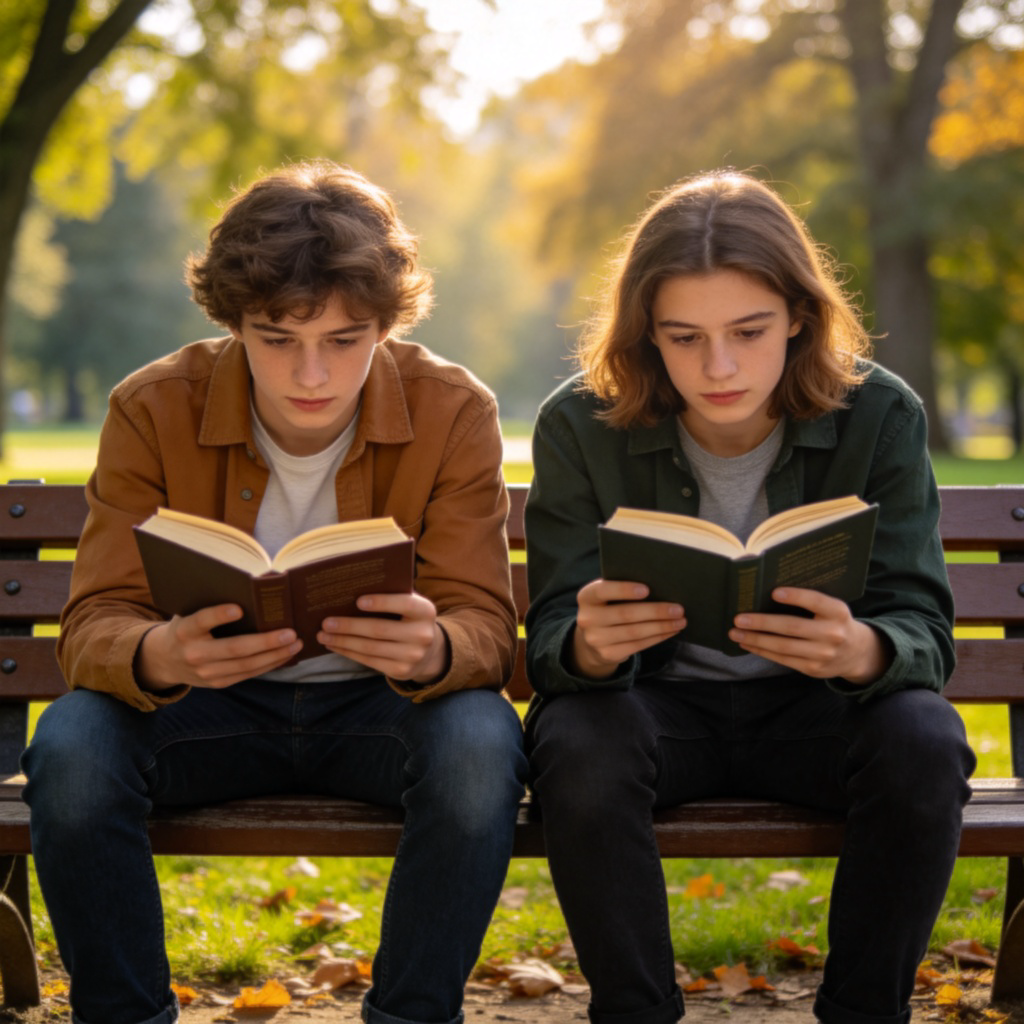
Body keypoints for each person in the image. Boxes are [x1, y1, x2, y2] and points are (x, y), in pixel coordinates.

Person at [23, 160, 527, 1024]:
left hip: (380, 711)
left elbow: (484, 622)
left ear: (386, 325)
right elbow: (93, 622)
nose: (311, 375)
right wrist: (158, 653)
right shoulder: (153, 406)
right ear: (234, 323)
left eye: (345, 340)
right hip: (203, 710)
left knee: (481, 744)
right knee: (71, 749)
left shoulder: (453, 410)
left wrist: (437, 645)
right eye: (277, 339)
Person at [523, 170, 975, 1024]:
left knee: (924, 737)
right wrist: (584, 647)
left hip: (817, 716)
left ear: (799, 315)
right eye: (684, 337)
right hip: (656, 714)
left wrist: (865, 650)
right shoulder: (580, 422)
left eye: (748, 331)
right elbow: (550, 635)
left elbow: (922, 625)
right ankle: (636, 1014)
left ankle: (864, 1014)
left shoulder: (880, 413)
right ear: (646, 333)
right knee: (576, 738)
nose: (719, 366)